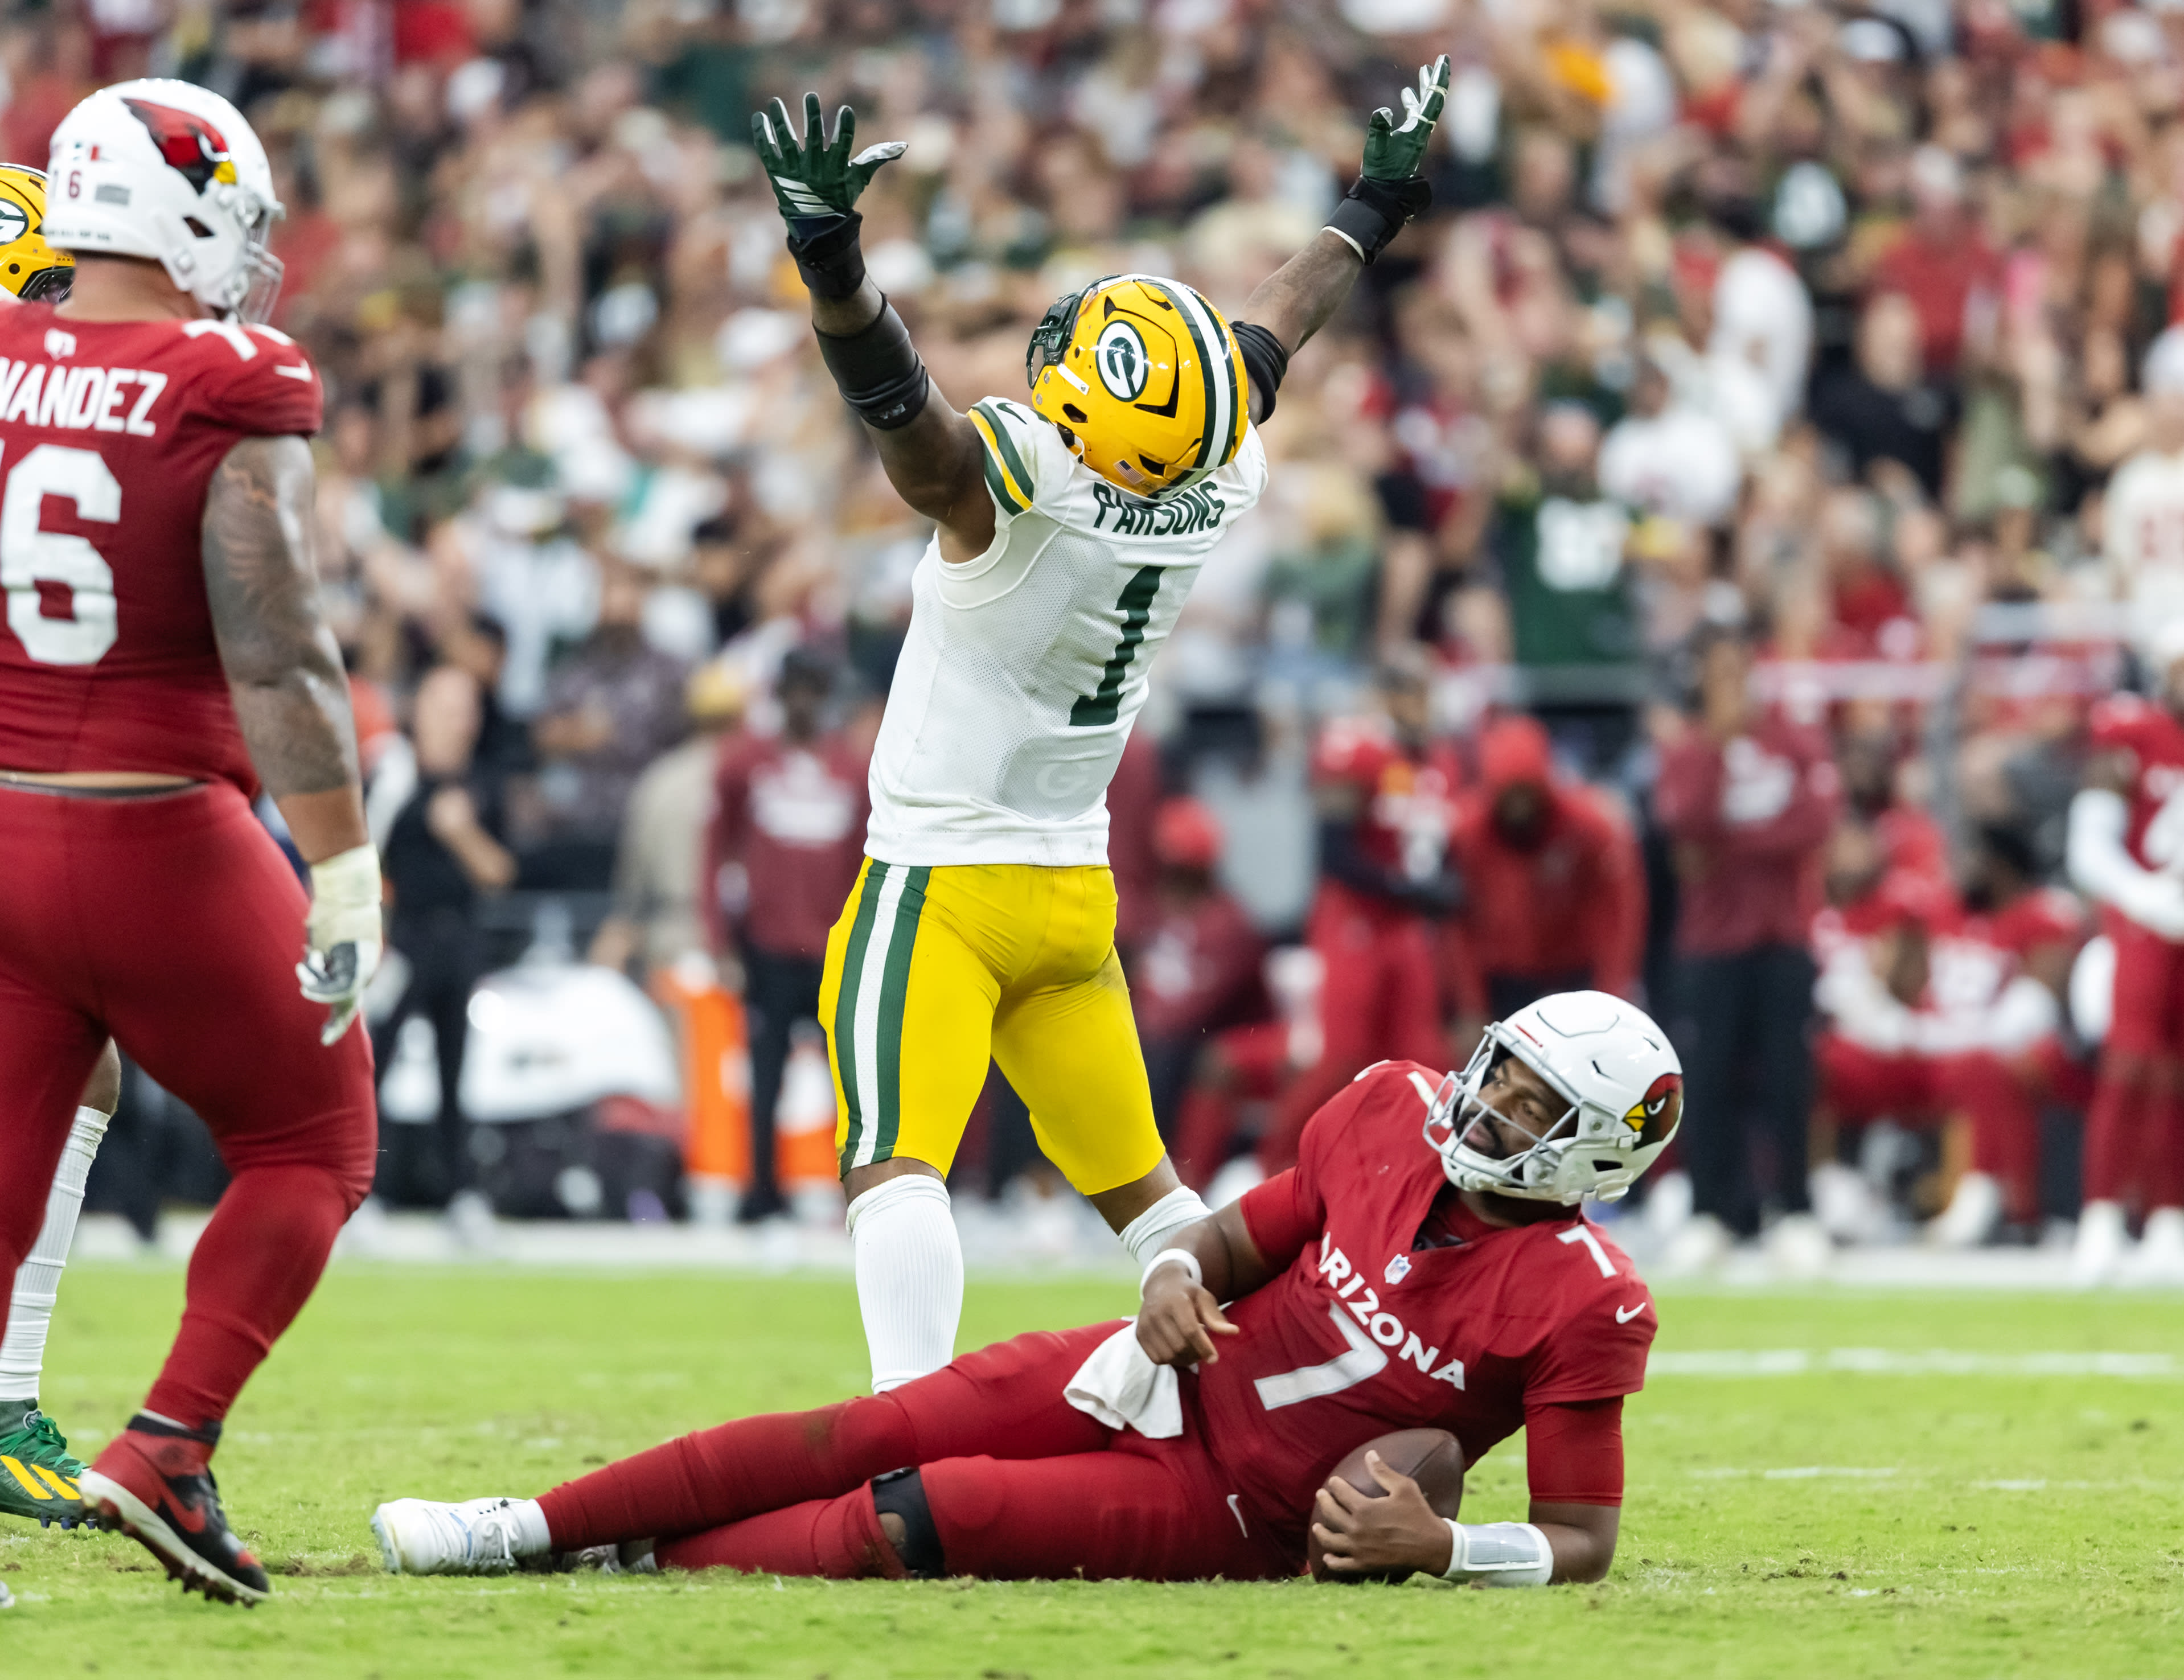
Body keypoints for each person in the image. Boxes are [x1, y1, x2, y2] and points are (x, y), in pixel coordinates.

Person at [746, 61, 1455, 1390]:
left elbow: (906, 418)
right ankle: (1304, 1396)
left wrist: (832, 269)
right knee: (1158, 1209)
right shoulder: (1219, 468)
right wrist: (1374, 204)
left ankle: (908, 1440)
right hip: (1073, 894)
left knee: (896, 1168)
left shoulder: (1017, 486)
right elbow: (1275, 326)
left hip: (944, 884)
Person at [372, 992, 1682, 1589]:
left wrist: (1446, 1547)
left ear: (1601, 1147)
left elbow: (1585, 1539)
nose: (1487, 1099)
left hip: (1238, 1500)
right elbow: (1230, 1240)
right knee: (873, 1426)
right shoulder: (1390, 1108)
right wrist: (1169, 1273)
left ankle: (643, 1557)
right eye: (1501, 1069)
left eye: (1533, 1104)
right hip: (1153, 1370)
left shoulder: (1586, 1297)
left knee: (935, 1508)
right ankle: (529, 1524)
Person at [0, 81, 381, 1605]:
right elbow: (280, 646)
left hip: (5, 827)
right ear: (184, 206)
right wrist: (343, 858)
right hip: (152, 827)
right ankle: (167, 1442)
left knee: (12, 1148)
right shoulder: (227, 372)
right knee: (315, 1140)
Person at [1653, 624, 1839, 1267]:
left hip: (1783, 932)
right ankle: (1712, 1211)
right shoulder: (1690, 749)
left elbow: (1813, 823)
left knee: (1789, 1077)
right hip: (1711, 940)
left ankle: (1794, 1208)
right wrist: (1716, 745)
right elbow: (1683, 820)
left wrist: (1729, 845)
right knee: (1706, 1078)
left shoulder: (1793, 741)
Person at [1253, 656, 1463, 1177]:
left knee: (1424, 1060)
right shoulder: (1357, 748)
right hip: (1354, 921)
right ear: (1385, 697)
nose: (1419, 708)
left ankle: (1414, 1183)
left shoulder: (1438, 760)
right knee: (1343, 1058)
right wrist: (1410, 889)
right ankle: (1270, 1168)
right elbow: (1335, 851)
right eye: (1407, 694)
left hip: (1406, 926)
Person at [703, 648, 869, 1223]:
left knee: (851, 1081)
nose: (803, 702)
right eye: (795, 688)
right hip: (768, 945)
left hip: (833, 947)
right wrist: (720, 939)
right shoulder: (747, 762)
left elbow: (864, 861)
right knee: (766, 1072)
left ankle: (860, 1189)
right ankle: (761, 1191)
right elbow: (715, 850)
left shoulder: (852, 770)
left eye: (814, 689)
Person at [371, 664, 517, 1232]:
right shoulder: (395, 777)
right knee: (374, 1065)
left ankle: (461, 1194)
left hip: (460, 937)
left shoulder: (483, 782)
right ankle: (367, 1192)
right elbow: (365, 851)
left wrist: (460, 832)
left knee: (455, 1073)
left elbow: (500, 871)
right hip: (402, 939)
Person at [2066, 627, 2184, 1283]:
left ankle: (2170, 1220)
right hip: (2146, 920)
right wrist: (2146, 898)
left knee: (2176, 1074)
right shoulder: (2130, 733)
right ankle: (2101, 1217)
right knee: (2130, 1064)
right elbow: (2089, 846)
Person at [1443, 714, 1644, 1041]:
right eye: (1509, 793)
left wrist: (1614, 993)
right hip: (1503, 979)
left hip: (1573, 977)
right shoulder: (1467, 834)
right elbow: (1458, 925)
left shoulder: (1589, 828)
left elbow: (1618, 914)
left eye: (1527, 791)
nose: (1519, 805)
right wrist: (1470, 1005)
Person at [589, 661, 748, 981]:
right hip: (734, 945)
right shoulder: (752, 778)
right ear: (739, 717)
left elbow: (633, 883)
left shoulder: (661, 779)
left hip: (670, 938)